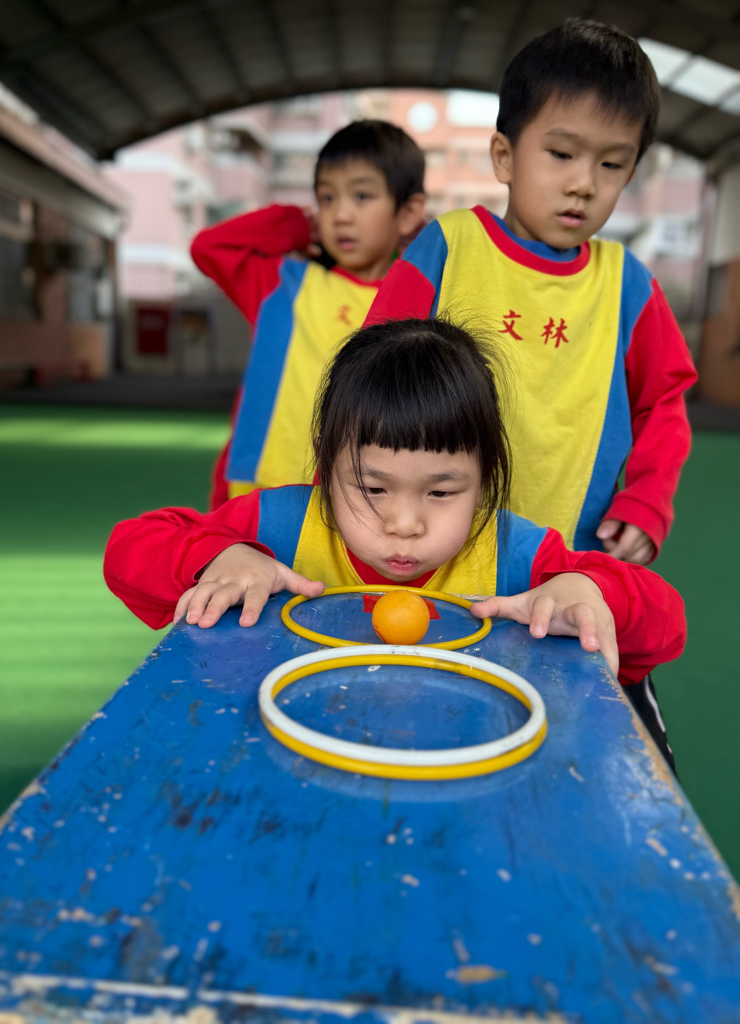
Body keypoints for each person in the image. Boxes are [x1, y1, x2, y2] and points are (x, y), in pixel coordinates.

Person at [104, 318, 686, 707]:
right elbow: (129, 550)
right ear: (325, 464)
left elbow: (666, 626)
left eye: (441, 493)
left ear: (485, 479)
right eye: (372, 488)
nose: (403, 524)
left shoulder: (516, 554)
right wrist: (221, 556)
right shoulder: (277, 526)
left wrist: (590, 591)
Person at [365, 18, 697, 567]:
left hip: (566, 562)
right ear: (504, 156)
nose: (583, 183)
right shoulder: (448, 248)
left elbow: (663, 404)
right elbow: (368, 377)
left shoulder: (629, 286)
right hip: (428, 551)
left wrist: (647, 500)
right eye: (562, 154)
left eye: (611, 164)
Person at [191, 119, 426, 509]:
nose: (341, 215)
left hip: (355, 501)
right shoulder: (282, 285)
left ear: (407, 212)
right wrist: (293, 225)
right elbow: (208, 248)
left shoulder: (418, 301)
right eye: (327, 198)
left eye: (361, 196)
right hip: (256, 491)